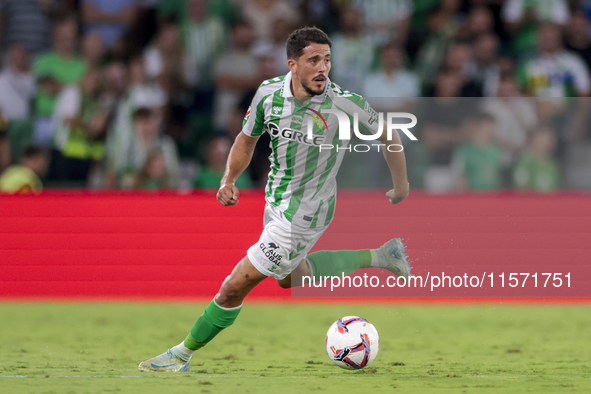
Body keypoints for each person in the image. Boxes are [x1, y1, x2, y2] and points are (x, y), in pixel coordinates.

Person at [138, 26, 412, 372]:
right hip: (277, 202)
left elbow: (390, 135)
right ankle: (382, 255)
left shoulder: (343, 103)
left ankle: (181, 354)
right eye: (314, 60)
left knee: (234, 286)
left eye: (327, 59)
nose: (323, 67)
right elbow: (246, 139)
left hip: (306, 213)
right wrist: (229, 178)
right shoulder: (268, 95)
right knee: (289, 277)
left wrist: (400, 186)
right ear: (292, 64)